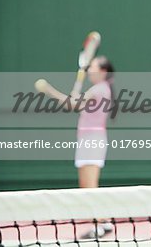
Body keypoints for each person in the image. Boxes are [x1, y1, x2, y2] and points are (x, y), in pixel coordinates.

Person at [36, 55, 115, 239]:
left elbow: (72, 104)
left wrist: (48, 90)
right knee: (86, 186)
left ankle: (99, 225)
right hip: (89, 140)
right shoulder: (99, 89)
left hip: (92, 140)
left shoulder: (100, 89)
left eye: (93, 66)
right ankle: (104, 222)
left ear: (103, 71)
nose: (89, 70)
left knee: (89, 186)